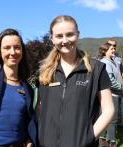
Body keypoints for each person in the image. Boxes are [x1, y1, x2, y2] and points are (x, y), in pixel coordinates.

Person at [37, 15, 114, 147]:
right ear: (52, 38)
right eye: (59, 36)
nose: (65, 40)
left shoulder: (96, 69)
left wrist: (88, 137)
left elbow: (109, 110)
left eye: (70, 34)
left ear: (78, 35)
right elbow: (40, 107)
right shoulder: (45, 70)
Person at [98, 42, 123, 147]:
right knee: (112, 120)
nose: (114, 50)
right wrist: (121, 87)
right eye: (111, 49)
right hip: (110, 95)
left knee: (106, 118)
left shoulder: (112, 61)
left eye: (114, 49)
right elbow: (110, 81)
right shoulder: (105, 62)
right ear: (105, 51)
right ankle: (112, 143)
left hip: (113, 94)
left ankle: (103, 141)